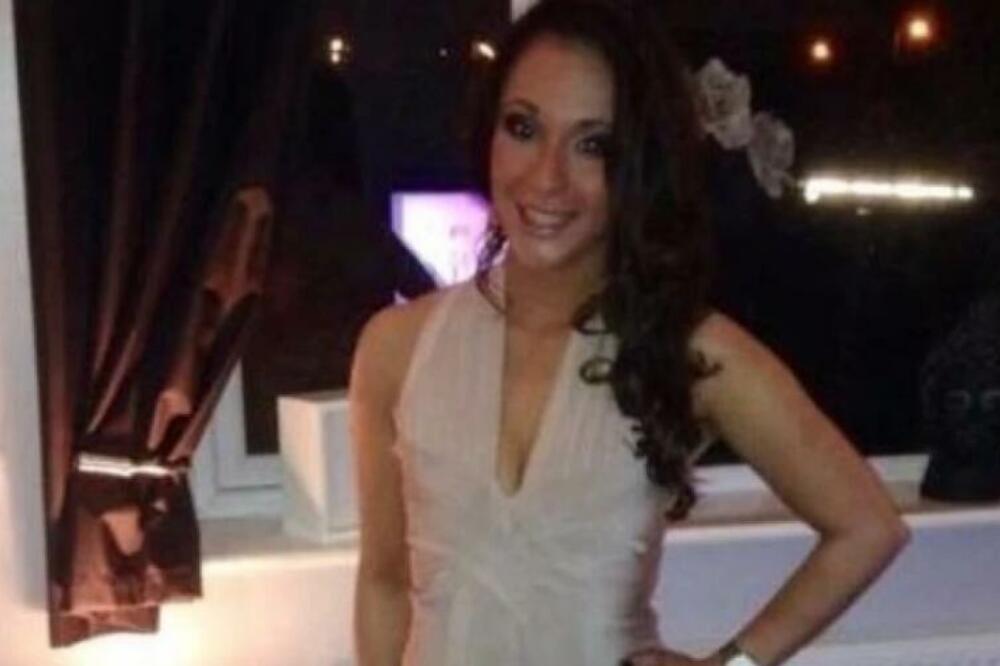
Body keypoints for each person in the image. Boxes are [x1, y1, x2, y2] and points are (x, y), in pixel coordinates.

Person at [350, 1, 909, 664]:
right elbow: (384, 583)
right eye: (524, 127)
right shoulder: (396, 347)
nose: (547, 176)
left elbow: (867, 527)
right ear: (488, 134)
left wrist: (731, 664)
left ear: (638, 162)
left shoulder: (690, 349)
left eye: (593, 144)